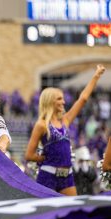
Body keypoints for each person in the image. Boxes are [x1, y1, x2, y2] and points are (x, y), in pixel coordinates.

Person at [25, 64, 106, 196]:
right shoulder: (41, 125)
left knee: (72, 210)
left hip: (67, 176)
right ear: (50, 101)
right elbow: (29, 155)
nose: (63, 102)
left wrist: (96, 76)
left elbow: (83, 99)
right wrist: (45, 158)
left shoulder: (65, 120)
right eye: (59, 99)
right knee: (48, 212)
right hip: (48, 175)